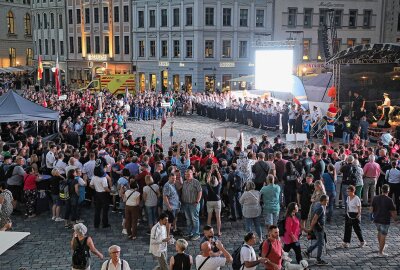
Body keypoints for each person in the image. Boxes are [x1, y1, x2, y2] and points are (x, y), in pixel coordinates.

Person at [371, 184, 397, 257]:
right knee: (383, 235)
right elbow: (393, 212)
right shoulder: (389, 200)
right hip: (385, 220)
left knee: (379, 232)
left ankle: (381, 246)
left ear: (381, 190)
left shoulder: (375, 198)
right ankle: (380, 252)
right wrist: (395, 220)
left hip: (376, 219)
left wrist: (371, 217)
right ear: (388, 191)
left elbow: (371, 208)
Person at [303, 194, 329, 265]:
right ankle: (318, 259)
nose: (327, 203)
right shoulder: (320, 208)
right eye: (326, 201)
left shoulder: (317, 204)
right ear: (323, 200)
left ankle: (307, 251)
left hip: (317, 227)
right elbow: (314, 219)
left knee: (320, 241)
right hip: (318, 228)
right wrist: (310, 229)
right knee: (321, 243)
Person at [181, 168, 202, 240]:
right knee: (188, 219)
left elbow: (200, 191)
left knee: (195, 219)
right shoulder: (184, 182)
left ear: (192, 173)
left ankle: (196, 234)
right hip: (186, 203)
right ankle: (190, 232)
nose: (187, 175)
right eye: (186, 174)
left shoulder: (196, 182)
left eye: (188, 174)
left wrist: (197, 201)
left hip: (194, 204)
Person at [163, 172, 181, 237]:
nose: (174, 180)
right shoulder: (167, 185)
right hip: (170, 206)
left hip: (175, 205)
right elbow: (165, 197)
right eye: (172, 178)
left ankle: (174, 229)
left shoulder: (173, 184)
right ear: (169, 178)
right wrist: (168, 206)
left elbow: (180, 187)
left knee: (174, 218)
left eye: (175, 178)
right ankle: (167, 235)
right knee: (169, 221)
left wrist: (179, 180)